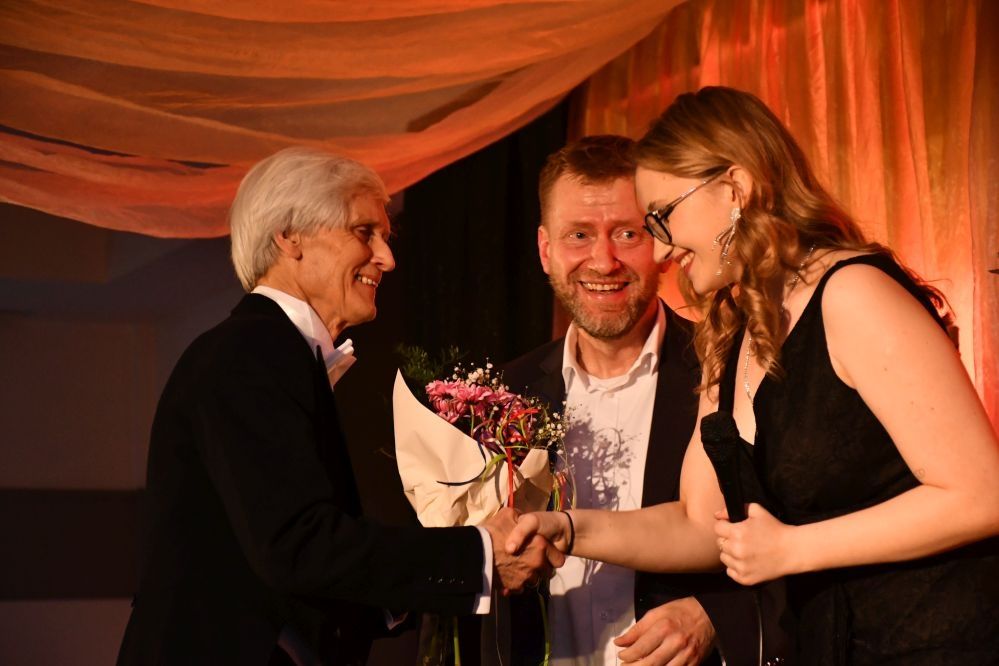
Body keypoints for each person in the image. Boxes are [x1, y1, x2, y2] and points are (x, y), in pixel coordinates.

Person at [507, 87, 999, 664]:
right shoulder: (731, 329)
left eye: (662, 217)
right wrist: (568, 528)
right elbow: (698, 524)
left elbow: (982, 494)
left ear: (736, 189)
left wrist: (793, 548)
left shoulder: (851, 293)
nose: (660, 251)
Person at [117, 147, 560, 666]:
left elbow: (283, 574)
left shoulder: (265, 351)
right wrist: (478, 555)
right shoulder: (250, 352)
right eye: (363, 232)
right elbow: (298, 548)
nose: (387, 258)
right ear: (290, 236)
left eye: (385, 237)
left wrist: (433, 580)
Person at [495, 136, 785, 666]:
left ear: (663, 239)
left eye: (627, 234)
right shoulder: (499, 397)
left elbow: (798, 530)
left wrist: (714, 615)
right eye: (579, 235)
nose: (603, 261)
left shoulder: (729, 368)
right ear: (545, 250)